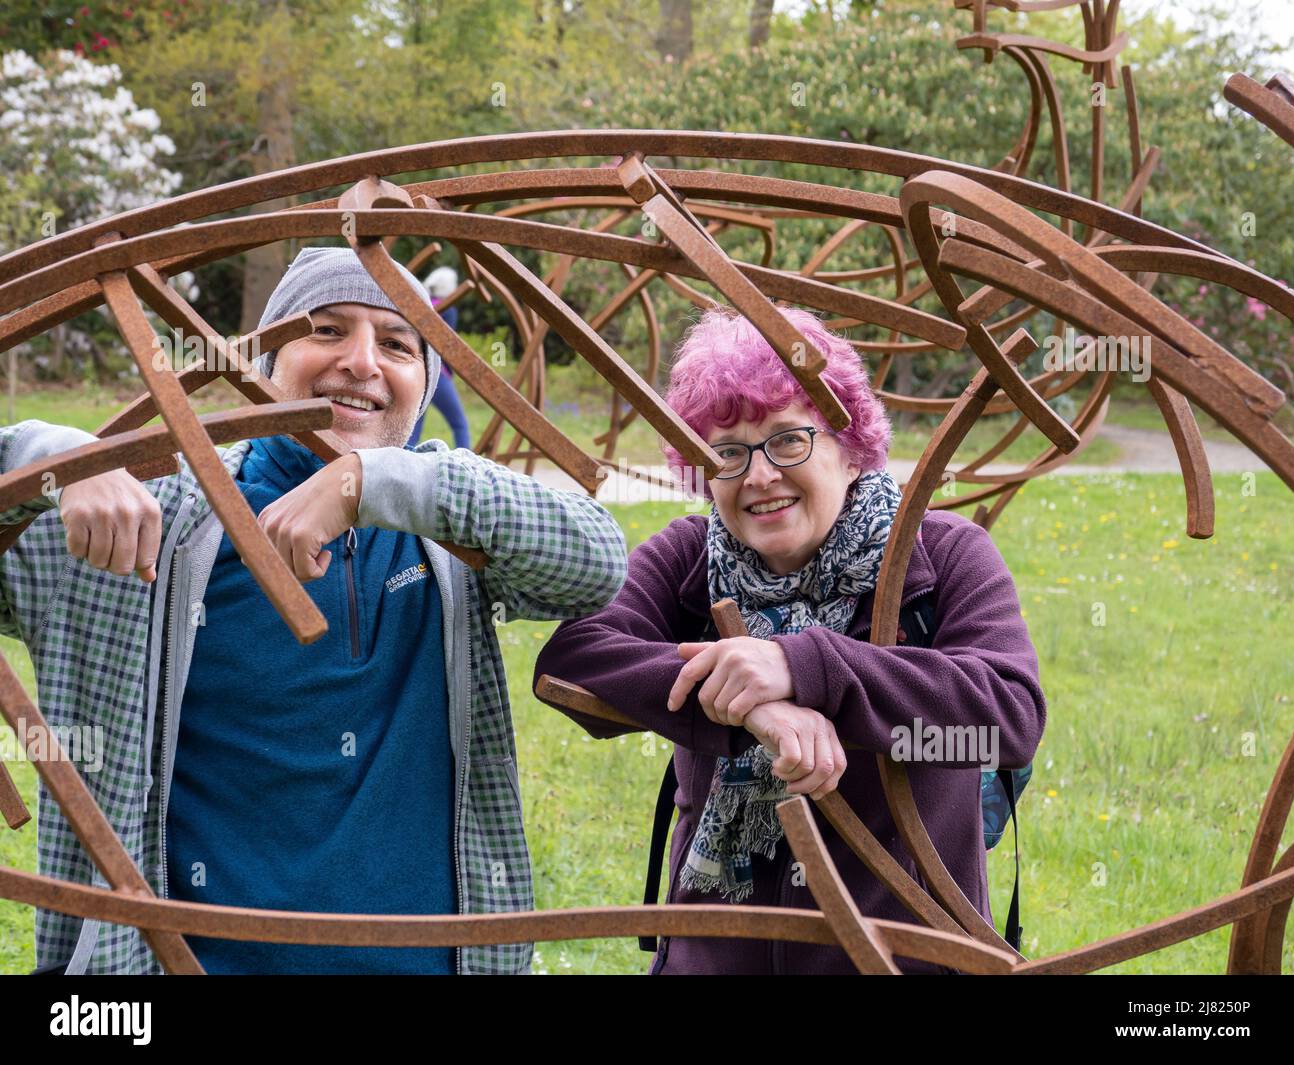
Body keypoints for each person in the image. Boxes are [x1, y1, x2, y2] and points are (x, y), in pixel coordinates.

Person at [0, 245, 627, 974]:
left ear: (425, 384)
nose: (362, 362)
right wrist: (53, 459)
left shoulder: (453, 542)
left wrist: (377, 481)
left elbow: (597, 561)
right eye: (326, 330)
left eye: (397, 344)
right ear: (263, 366)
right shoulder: (155, 526)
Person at [534, 305, 1047, 975]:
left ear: (849, 440)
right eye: (728, 452)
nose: (759, 476)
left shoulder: (941, 555)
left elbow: (1007, 718)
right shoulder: (690, 558)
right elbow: (572, 658)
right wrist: (750, 704)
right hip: (710, 959)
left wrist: (807, 666)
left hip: (901, 959)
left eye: (788, 440)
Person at [405, 266, 470, 450]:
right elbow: (447, 345)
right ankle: (467, 464)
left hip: (417, 370)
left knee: (413, 425)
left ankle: (402, 463)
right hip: (438, 374)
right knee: (459, 423)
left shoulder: (423, 304)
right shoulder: (448, 309)